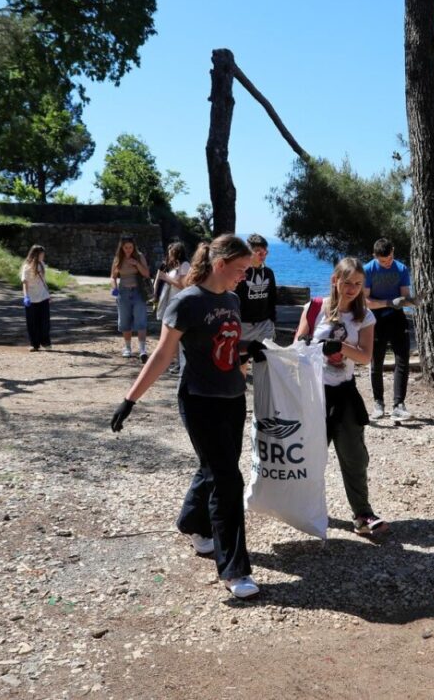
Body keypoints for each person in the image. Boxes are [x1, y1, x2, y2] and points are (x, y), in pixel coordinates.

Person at [109, 234, 265, 600]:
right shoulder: (186, 302)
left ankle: (191, 522)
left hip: (232, 398)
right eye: (241, 269)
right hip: (199, 401)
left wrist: (248, 352)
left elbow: (225, 347)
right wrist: (130, 399)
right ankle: (234, 571)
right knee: (228, 480)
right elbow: (162, 355)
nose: (245, 276)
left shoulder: (231, 299)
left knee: (214, 467)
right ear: (220, 264)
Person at [296, 257, 389, 537]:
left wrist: (341, 347)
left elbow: (365, 356)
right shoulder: (314, 308)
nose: (352, 289)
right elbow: (298, 345)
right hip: (315, 393)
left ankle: (362, 514)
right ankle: (305, 510)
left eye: (358, 284)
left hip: (345, 393)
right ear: (335, 280)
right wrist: (317, 347)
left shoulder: (365, 316)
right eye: (347, 282)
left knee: (355, 456)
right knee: (311, 455)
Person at [363, 238, 415, 420]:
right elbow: (365, 301)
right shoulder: (368, 269)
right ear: (375, 256)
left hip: (397, 317)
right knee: (376, 361)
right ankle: (378, 403)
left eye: (390, 258)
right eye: (383, 261)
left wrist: (408, 301)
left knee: (402, 359)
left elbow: (405, 296)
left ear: (393, 251)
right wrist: (387, 302)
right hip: (375, 319)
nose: (387, 263)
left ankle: (399, 404)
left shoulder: (401, 269)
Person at [110, 236, 151, 361]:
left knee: (141, 321)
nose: (128, 250)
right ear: (122, 247)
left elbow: (147, 274)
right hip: (123, 292)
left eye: (130, 247)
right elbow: (113, 276)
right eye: (126, 247)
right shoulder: (118, 258)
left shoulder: (139, 256)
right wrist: (115, 290)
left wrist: (136, 264)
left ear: (134, 247)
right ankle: (127, 348)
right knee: (124, 321)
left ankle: (142, 350)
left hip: (138, 292)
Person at [236, 233, 278, 346]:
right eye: (259, 252)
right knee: (242, 360)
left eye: (265, 252)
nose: (263, 256)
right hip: (243, 324)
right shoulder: (240, 272)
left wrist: (272, 320)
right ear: (249, 252)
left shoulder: (269, 273)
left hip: (265, 324)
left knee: (263, 359)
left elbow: (272, 297)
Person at [20, 245, 51, 352]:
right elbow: (25, 283)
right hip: (31, 298)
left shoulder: (42, 264)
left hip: (43, 297)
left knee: (45, 322)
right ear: (37, 254)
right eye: (42, 254)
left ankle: (46, 343)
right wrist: (26, 296)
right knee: (32, 323)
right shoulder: (26, 267)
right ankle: (34, 344)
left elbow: (44, 281)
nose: (43, 256)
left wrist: (48, 293)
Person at [154, 241, 191, 323]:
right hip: (172, 300)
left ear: (177, 253)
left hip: (180, 301)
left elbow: (183, 286)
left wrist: (166, 278)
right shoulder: (176, 265)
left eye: (171, 253)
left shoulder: (185, 265)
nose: (169, 255)